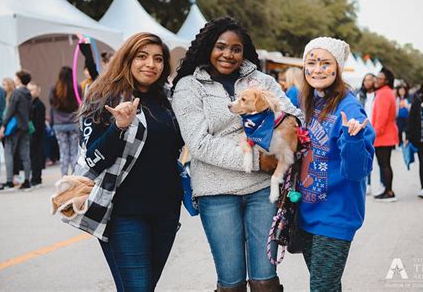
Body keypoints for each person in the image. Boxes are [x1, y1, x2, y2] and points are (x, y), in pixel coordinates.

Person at [172, 16, 303, 292]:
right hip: (216, 192)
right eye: (221, 47)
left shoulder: (260, 80)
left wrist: (281, 140)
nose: (228, 54)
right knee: (231, 284)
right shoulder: (189, 86)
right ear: (209, 46)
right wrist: (259, 161)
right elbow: (199, 143)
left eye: (236, 49)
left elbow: (294, 115)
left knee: (265, 281)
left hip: (262, 190)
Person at [77, 32, 183, 291]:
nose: (151, 64)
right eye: (142, 56)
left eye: (158, 59)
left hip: (166, 212)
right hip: (123, 214)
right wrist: (118, 128)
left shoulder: (169, 99)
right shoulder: (103, 97)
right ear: (127, 58)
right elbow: (91, 160)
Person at [297, 37, 375, 291]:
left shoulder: (350, 108)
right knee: (326, 285)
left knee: (322, 287)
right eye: (312, 62)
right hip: (306, 211)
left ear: (338, 68)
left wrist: (353, 139)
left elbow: (358, 172)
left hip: (336, 216)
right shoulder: (306, 101)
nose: (317, 69)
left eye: (325, 63)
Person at [0, 70, 33, 191]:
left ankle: (9, 181)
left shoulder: (16, 93)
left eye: (16, 77)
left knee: (8, 153)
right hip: (25, 127)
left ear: (20, 79)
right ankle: (27, 181)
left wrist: (3, 126)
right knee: (25, 155)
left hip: (14, 128)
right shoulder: (28, 93)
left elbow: (10, 111)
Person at [372, 67, 399, 201]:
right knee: (384, 164)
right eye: (376, 78)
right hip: (385, 134)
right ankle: (386, 189)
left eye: (379, 78)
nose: (376, 80)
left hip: (383, 135)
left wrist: (374, 133)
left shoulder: (384, 94)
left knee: (384, 164)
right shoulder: (385, 92)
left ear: (386, 81)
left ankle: (389, 192)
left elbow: (381, 117)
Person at [50, 66, 80, 177]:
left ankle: (64, 177)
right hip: (73, 123)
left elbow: (52, 105)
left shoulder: (54, 88)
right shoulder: (76, 87)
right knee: (74, 152)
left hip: (59, 125)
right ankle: (74, 177)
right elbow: (80, 103)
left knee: (63, 152)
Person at [357, 73, 376, 193]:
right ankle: (367, 183)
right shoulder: (360, 95)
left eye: (370, 80)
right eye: (366, 80)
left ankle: (382, 184)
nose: (368, 82)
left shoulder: (377, 95)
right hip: (364, 128)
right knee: (366, 156)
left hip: (376, 127)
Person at [27, 82, 46, 187]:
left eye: (32, 90)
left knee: (36, 157)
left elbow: (39, 123)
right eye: (29, 90)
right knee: (32, 157)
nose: (30, 92)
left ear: (38, 91)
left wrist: (35, 133)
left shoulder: (39, 105)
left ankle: (37, 178)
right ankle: (34, 177)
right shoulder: (30, 103)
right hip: (32, 134)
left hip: (37, 134)